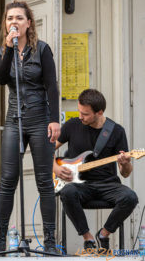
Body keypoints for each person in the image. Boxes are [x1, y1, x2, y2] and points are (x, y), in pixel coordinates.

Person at [0, 0, 60, 253]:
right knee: (8, 180)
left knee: (44, 180)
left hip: (40, 119)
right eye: (10, 18)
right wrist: (9, 49)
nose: (14, 22)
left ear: (28, 23)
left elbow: (52, 86)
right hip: (14, 120)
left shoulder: (41, 50)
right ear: (5, 24)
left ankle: (50, 241)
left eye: (19, 18)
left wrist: (55, 120)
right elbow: (0, 78)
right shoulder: (2, 52)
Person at [53, 89, 138, 251]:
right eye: (79, 112)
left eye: (85, 114)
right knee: (67, 192)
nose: (80, 117)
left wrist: (125, 163)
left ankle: (103, 234)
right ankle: (88, 238)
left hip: (108, 185)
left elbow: (125, 173)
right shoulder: (72, 125)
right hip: (80, 186)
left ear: (99, 112)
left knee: (130, 197)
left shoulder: (116, 131)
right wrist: (55, 167)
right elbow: (46, 149)